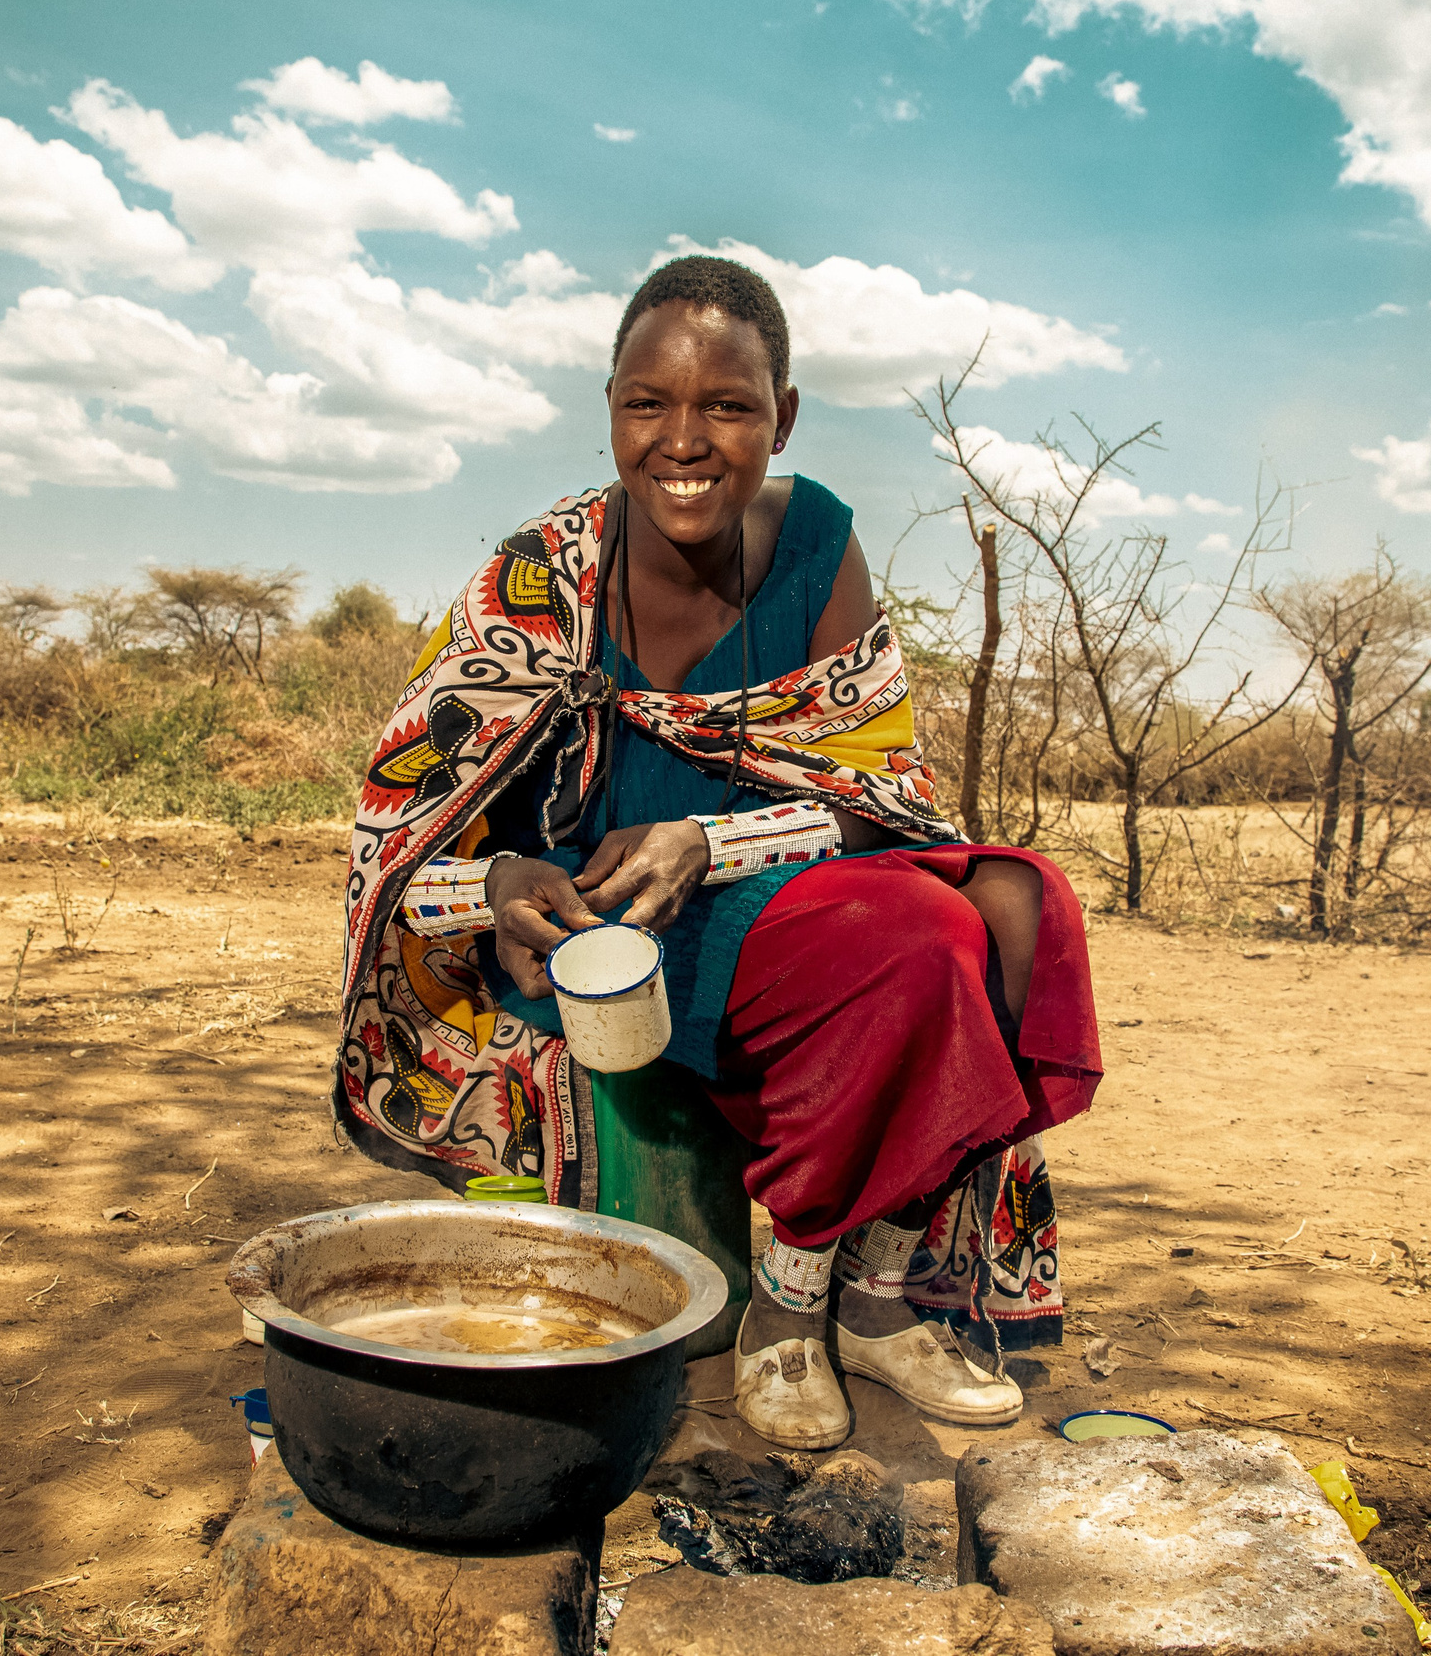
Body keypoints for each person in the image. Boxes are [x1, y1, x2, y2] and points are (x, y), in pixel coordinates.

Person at [335, 256, 1103, 1451]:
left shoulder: (816, 543)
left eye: (727, 407)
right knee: (918, 937)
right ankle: (788, 1313)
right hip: (613, 948)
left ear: (781, 416)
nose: (682, 441)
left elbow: (876, 798)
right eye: (647, 404)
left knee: (1015, 901)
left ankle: (872, 1297)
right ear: (609, 409)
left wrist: (708, 838)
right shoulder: (543, 578)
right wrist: (493, 880)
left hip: (790, 897)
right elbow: (401, 841)